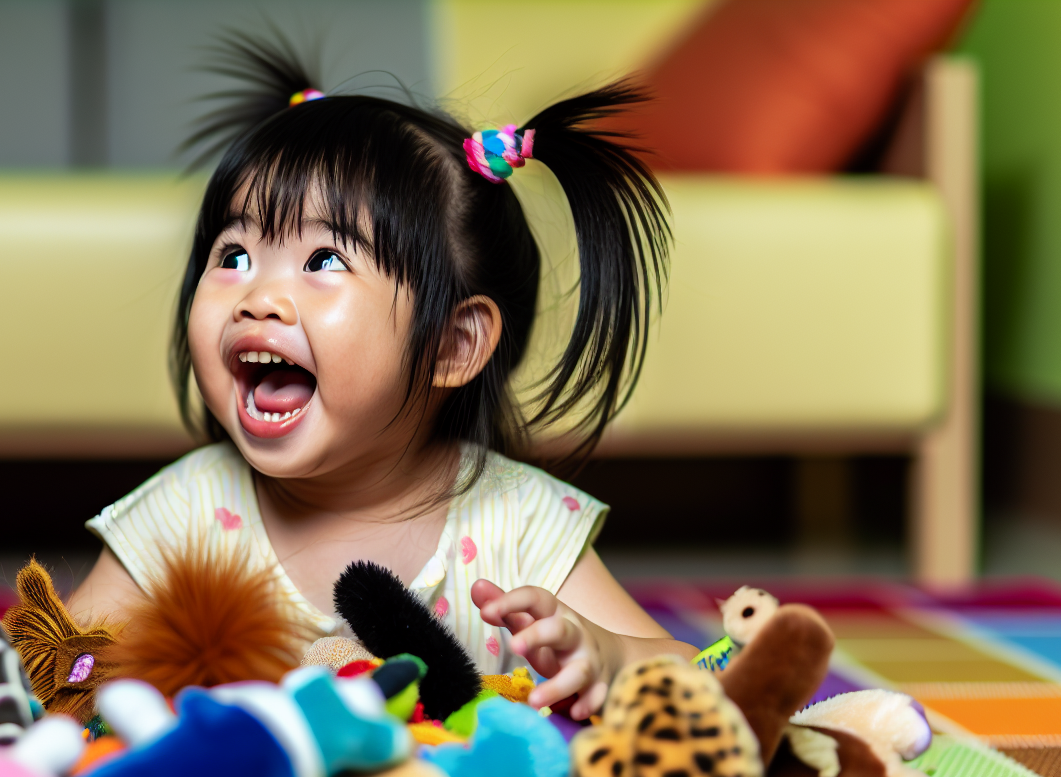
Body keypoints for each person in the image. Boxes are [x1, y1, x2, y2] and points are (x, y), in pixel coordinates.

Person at [67, 39, 696, 720]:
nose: (258, 298)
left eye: (324, 259)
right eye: (236, 254)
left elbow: (698, 676)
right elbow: (55, 668)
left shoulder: (517, 523)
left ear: (452, 345)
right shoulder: (186, 512)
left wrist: (605, 656)